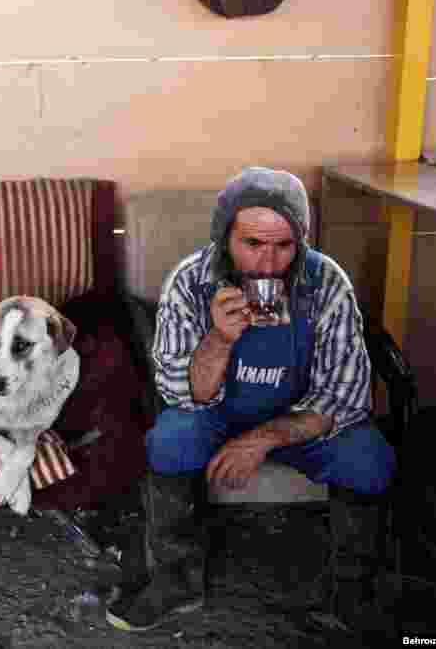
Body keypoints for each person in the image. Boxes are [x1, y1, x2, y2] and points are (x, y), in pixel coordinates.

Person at [107, 167, 396, 633]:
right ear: (226, 237)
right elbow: (182, 393)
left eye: (284, 246)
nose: (267, 265)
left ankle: (351, 591)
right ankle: (175, 581)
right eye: (253, 244)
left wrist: (261, 440)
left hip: (298, 420)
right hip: (216, 413)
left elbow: (343, 397)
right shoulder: (190, 282)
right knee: (170, 440)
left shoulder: (326, 284)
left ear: (301, 240)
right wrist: (219, 340)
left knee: (369, 458)